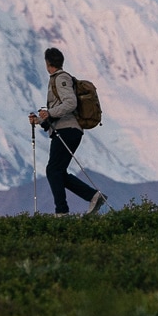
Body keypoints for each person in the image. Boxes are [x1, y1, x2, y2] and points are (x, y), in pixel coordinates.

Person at [30, 47, 107, 215]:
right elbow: (60, 109)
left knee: (53, 170)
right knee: (58, 172)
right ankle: (94, 196)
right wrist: (39, 120)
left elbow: (70, 103)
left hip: (67, 130)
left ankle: (62, 212)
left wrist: (49, 113)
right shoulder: (58, 79)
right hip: (66, 130)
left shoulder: (61, 78)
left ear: (47, 63)